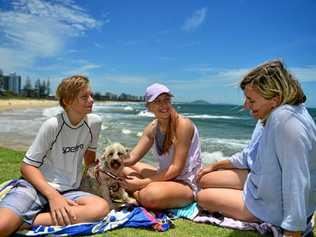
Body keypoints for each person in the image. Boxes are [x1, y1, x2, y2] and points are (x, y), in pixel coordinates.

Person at [197, 59, 316, 237]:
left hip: (272, 207)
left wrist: (293, 228)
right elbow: (249, 156)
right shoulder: (271, 115)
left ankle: (266, 219)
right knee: (205, 180)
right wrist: (216, 165)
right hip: (262, 185)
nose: (245, 105)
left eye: (251, 100)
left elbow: (296, 179)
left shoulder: (286, 121)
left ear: (274, 99)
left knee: (202, 197)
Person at [0, 75, 110, 237]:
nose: (91, 100)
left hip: (69, 190)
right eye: (84, 97)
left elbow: (89, 156)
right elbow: (27, 166)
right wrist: (53, 196)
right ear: (67, 101)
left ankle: (25, 221)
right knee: (2, 227)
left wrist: (100, 171)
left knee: (100, 208)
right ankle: (21, 218)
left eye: (91, 95)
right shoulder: (53, 125)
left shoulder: (94, 123)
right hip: (37, 187)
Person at [122, 83, 202, 210]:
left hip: (185, 182)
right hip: (164, 176)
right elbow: (132, 158)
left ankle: (134, 193)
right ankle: (133, 188)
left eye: (166, 100)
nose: (164, 105)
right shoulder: (153, 128)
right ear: (149, 107)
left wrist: (140, 184)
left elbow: (176, 169)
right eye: (157, 101)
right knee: (122, 169)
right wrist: (111, 161)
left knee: (150, 196)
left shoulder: (183, 125)